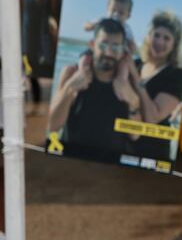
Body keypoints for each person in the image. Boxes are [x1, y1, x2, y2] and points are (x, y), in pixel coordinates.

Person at [47, 19, 142, 161]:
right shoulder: (71, 73)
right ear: (92, 45)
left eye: (115, 47)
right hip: (72, 160)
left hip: (111, 164)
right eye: (103, 45)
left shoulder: (128, 82)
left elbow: (135, 135)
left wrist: (133, 103)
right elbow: (52, 126)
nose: (108, 52)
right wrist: (69, 88)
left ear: (122, 52)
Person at [125, 11, 182, 162]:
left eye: (166, 38)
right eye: (156, 35)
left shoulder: (176, 75)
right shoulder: (137, 64)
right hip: (124, 145)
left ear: (174, 44)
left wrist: (138, 83)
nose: (159, 42)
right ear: (149, 36)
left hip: (152, 153)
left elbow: (153, 117)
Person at [22, 0, 61, 106]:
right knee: (33, 82)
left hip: (53, 48)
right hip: (36, 50)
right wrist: (25, 54)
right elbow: (28, 27)